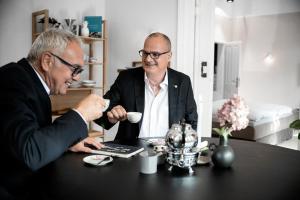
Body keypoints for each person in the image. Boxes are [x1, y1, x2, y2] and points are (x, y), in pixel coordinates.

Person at [0, 29, 106, 200]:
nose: (77, 78)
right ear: (47, 61)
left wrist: (66, 143)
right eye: (75, 69)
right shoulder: (10, 80)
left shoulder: (30, 83)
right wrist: (80, 114)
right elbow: (30, 152)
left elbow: (33, 136)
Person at [96, 32, 197, 144]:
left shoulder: (183, 81)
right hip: (132, 152)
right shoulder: (126, 78)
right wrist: (111, 117)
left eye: (155, 54)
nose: (148, 59)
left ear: (169, 56)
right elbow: (100, 115)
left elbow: (192, 122)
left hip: (169, 152)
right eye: (145, 53)